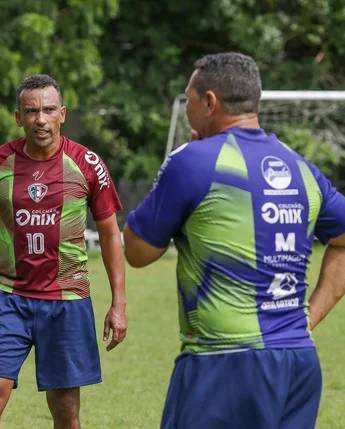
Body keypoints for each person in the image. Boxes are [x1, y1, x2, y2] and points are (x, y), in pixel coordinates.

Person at [123, 52, 345, 429]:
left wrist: (175, 164)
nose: (187, 107)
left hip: (223, 362)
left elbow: (138, 252)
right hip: (298, 362)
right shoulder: (301, 167)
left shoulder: (192, 161)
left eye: (189, 98)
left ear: (209, 102)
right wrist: (309, 317)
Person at [0, 74, 127, 429]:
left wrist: (119, 304)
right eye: (31, 111)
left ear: (62, 113)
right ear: (19, 117)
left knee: (65, 411)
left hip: (67, 300)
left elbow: (110, 234)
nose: (41, 119)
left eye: (48, 110)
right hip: (7, 297)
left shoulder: (88, 164)